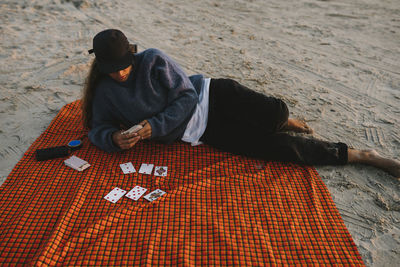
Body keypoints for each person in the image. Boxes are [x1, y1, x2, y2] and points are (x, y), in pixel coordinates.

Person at [82, 29, 400, 179]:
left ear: (132, 54)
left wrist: (156, 125)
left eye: (124, 65)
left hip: (211, 93)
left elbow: (187, 95)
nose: (121, 73)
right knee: (280, 149)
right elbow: (98, 129)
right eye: (113, 70)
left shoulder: (152, 60)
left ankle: (281, 119)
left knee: (276, 112)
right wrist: (113, 138)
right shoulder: (106, 92)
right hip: (201, 131)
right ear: (101, 67)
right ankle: (363, 155)